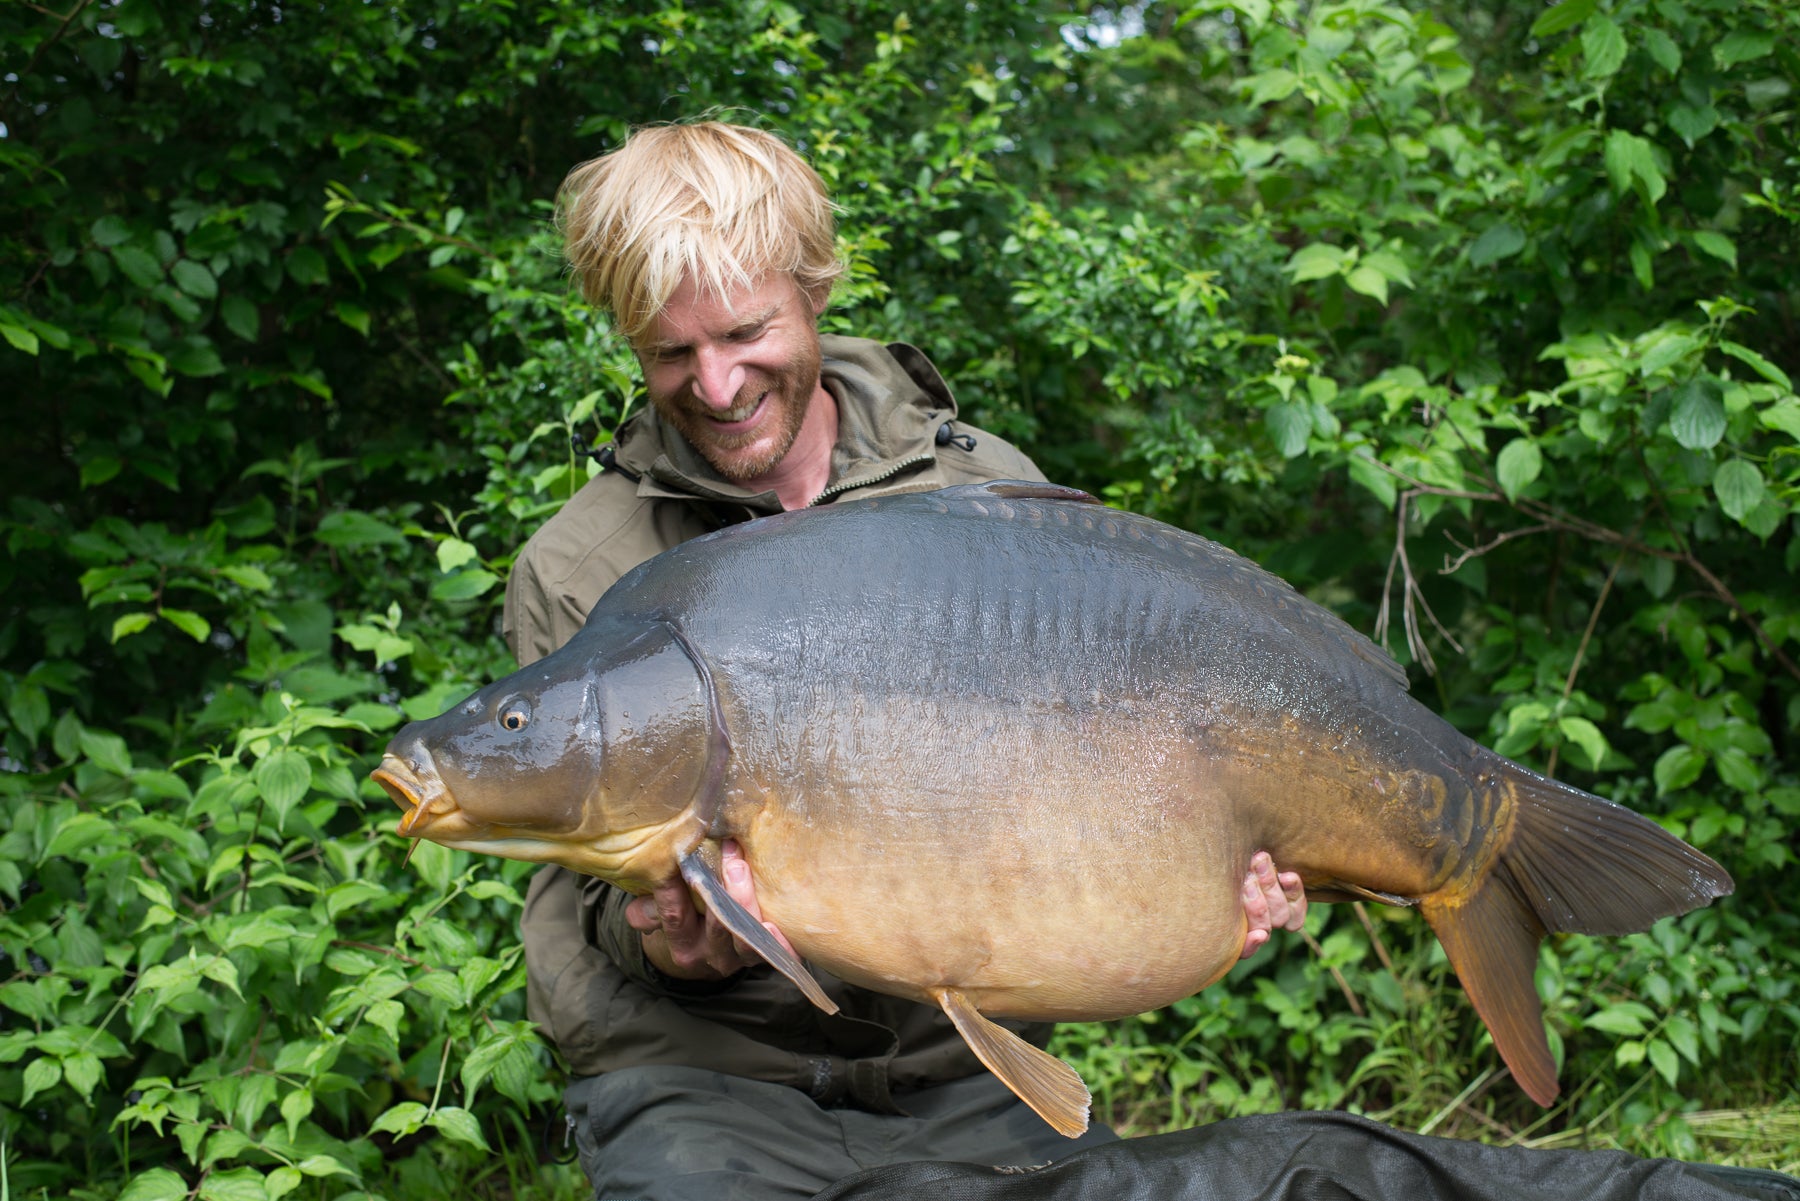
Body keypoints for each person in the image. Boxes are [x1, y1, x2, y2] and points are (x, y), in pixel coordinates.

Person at [503, 120, 1307, 1201]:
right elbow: (581, 873)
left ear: (814, 290)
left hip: (957, 1059)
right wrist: (666, 941)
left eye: (746, 331)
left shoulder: (981, 502)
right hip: (704, 1077)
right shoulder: (577, 565)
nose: (717, 382)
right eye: (669, 352)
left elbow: (1082, 786)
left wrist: (1205, 873)